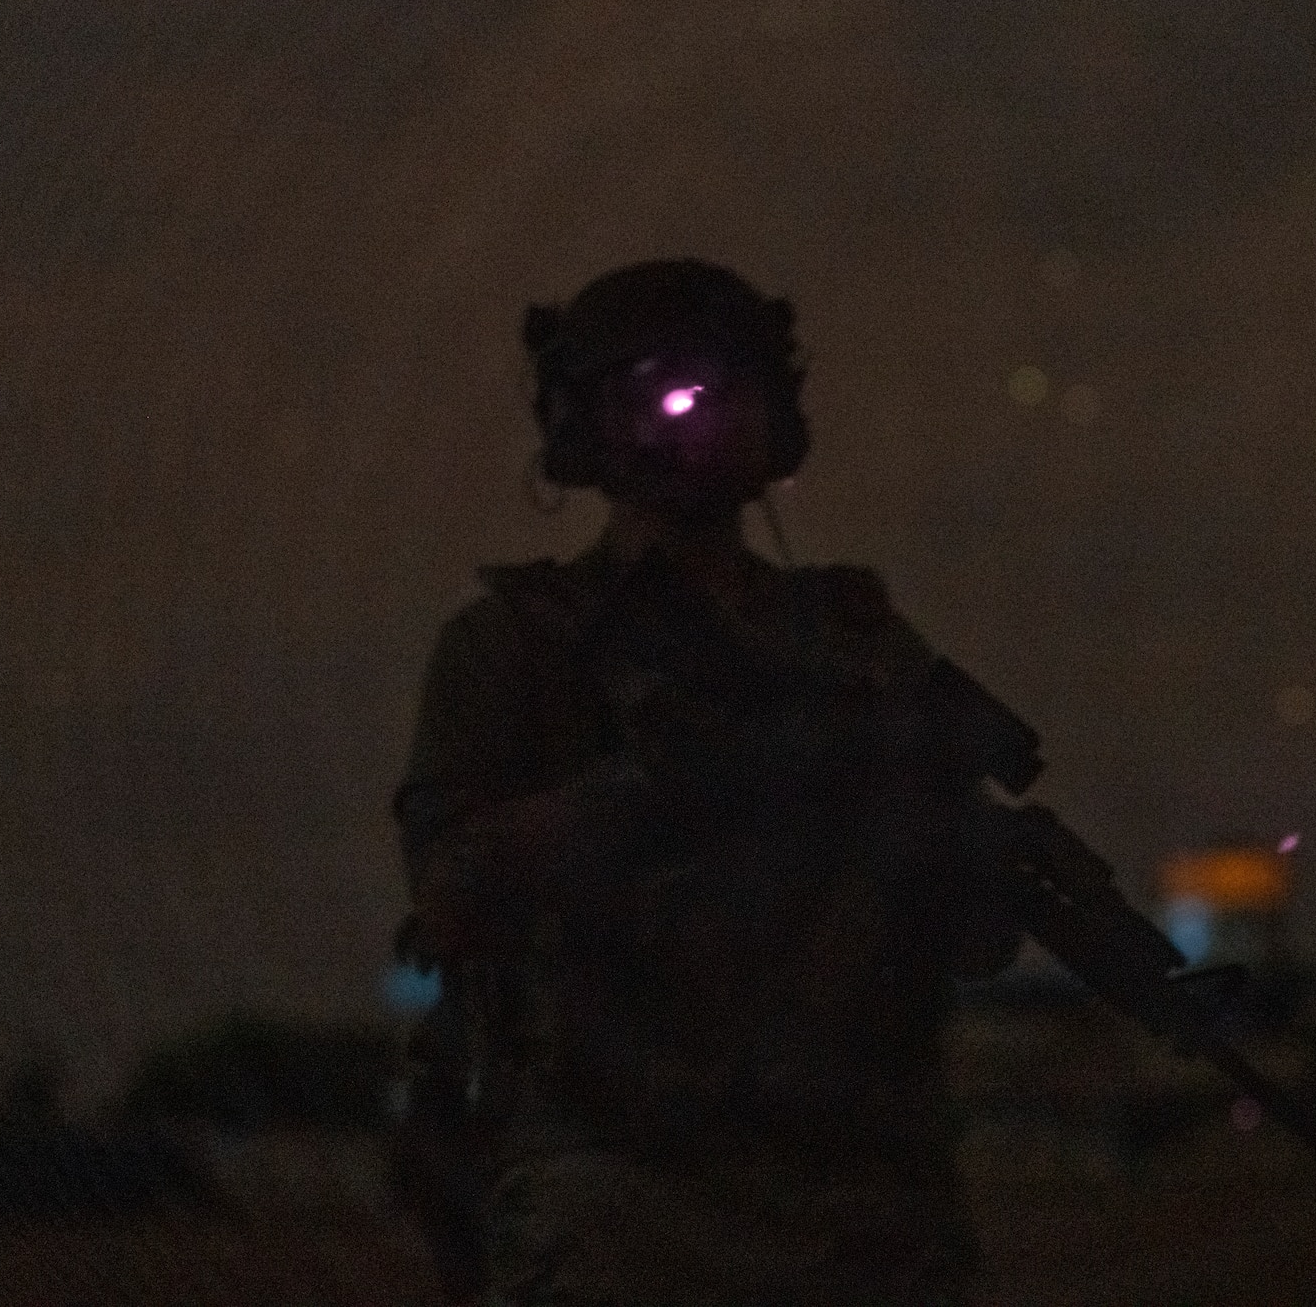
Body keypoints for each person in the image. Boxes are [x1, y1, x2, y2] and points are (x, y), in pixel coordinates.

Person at [390, 260, 1024, 1306]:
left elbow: (969, 931)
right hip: (617, 1184)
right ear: (580, 424)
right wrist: (680, 790)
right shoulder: (516, 647)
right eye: (656, 391)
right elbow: (452, 888)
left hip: (863, 1189)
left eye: (729, 390)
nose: (697, 420)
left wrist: (958, 857)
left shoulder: (853, 640)